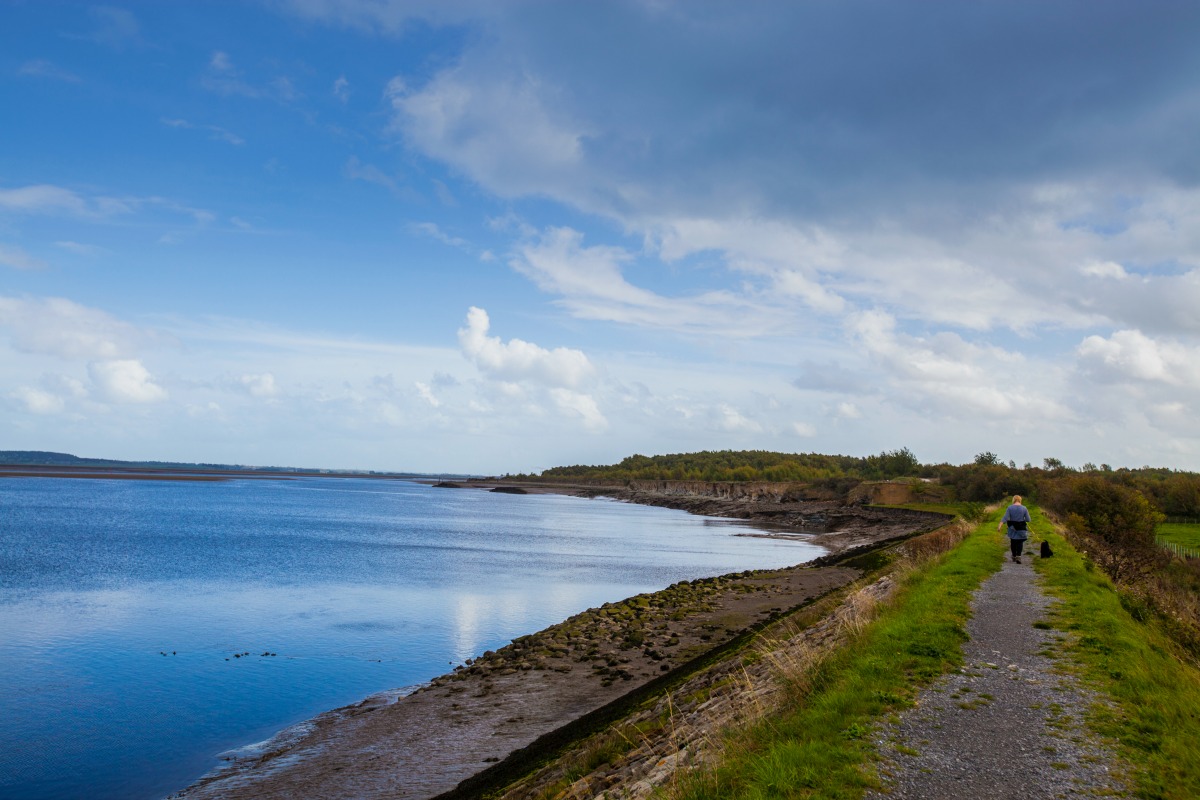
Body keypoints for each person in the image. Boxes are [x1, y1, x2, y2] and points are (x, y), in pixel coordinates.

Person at [998, 494, 1031, 563]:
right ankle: (1018, 556)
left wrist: (1000, 525)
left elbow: (1005, 518)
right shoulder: (1024, 508)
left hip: (1012, 528)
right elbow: (1028, 519)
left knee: (1013, 541)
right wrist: (1022, 518)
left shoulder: (1010, 508)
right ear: (1020, 500)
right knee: (1020, 542)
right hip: (1021, 528)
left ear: (1013, 500)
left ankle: (1013, 556)